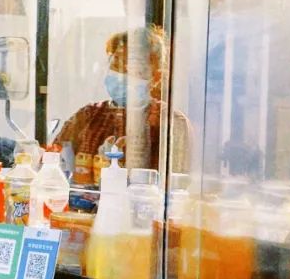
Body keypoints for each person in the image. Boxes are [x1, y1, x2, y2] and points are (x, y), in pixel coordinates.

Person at [55, 26, 192, 174]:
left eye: (133, 68)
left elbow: (177, 184)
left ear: (156, 77)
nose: (121, 75)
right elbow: (54, 161)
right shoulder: (87, 116)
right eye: (116, 65)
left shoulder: (169, 121)